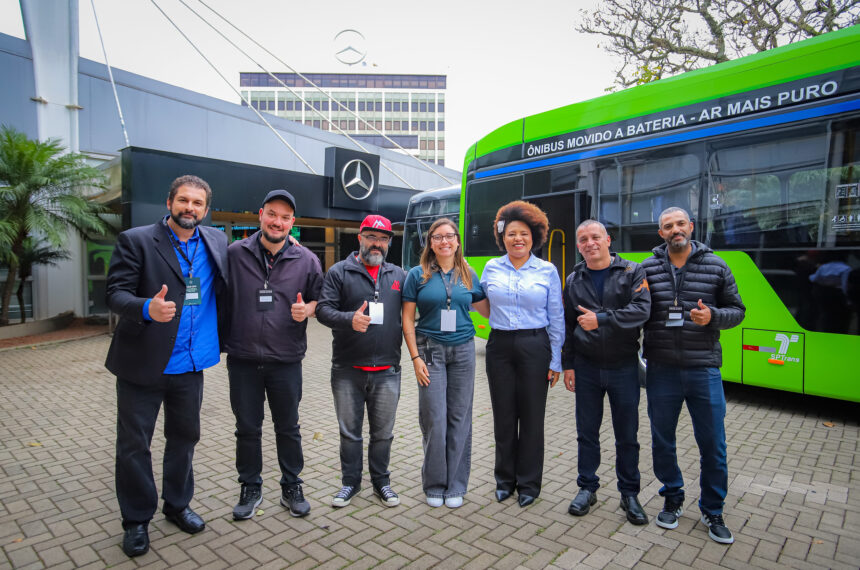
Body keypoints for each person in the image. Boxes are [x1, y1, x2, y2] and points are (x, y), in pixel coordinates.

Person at [105, 175, 228, 557]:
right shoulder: (137, 240)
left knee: (184, 440)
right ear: (170, 201)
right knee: (133, 446)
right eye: (183, 200)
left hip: (191, 366)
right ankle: (137, 519)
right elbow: (114, 293)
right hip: (144, 364)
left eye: (197, 203)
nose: (190, 208)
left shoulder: (217, 241)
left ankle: (177, 505)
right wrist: (146, 308)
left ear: (206, 210)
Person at [642, 206, 745, 544]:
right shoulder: (647, 268)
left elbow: (737, 311)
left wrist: (712, 316)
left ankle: (713, 509)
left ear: (691, 226)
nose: (675, 230)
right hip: (661, 369)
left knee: (713, 443)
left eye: (680, 224)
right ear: (661, 233)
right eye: (668, 226)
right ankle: (672, 496)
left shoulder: (716, 265)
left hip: (704, 368)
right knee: (662, 439)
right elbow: (635, 311)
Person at [222, 189, 323, 520]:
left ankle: (292, 485)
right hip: (243, 359)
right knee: (247, 428)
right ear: (260, 215)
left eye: (285, 217)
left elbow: (320, 301)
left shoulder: (306, 260)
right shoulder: (234, 254)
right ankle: (250, 486)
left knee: (288, 427)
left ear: (292, 223)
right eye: (272, 214)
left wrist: (307, 309)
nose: (277, 222)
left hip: (286, 359)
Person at [561, 220, 651, 525]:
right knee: (587, 433)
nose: (590, 243)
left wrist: (601, 319)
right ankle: (587, 488)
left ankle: (629, 494)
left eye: (595, 237)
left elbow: (642, 311)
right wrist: (568, 364)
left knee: (627, 435)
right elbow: (568, 326)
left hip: (623, 366)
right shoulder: (574, 279)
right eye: (583, 239)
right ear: (579, 245)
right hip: (585, 367)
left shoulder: (632, 272)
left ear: (608, 239)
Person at [316, 214, 407, 508]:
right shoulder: (340, 272)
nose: (377, 244)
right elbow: (323, 310)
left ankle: (381, 483)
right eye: (371, 237)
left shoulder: (398, 275)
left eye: (383, 239)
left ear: (389, 243)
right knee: (349, 434)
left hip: (388, 371)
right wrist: (348, 319)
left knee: (383, 434)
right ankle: (350, 484)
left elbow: (414, 314)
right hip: (347, 369)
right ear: (360, 238)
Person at [478, 200, 564, 507]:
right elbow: (482, 305)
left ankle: (529, 484)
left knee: (531, 418)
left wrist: (556, 360)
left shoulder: (547, 270)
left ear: (534, 236)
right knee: (503, 417)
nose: (518, 239)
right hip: (499, 346)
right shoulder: (490, 267)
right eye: (512, 233)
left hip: (534, 346)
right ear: (503, 237)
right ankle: (504, 480)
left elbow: (556, 316)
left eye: (524, 234)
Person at [402, 218, 487, 509]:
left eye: (449, 236)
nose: (444, 241)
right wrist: (415, 358)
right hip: (429, 351)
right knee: (434, 418)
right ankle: (435, 483)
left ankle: (456, 485)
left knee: (459, 418)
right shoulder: (418, 274)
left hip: (464, 351)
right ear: (430, 242)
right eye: (437, 237)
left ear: (457, 241)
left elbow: (486, 310)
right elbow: (407, 320)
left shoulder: (468, 273)